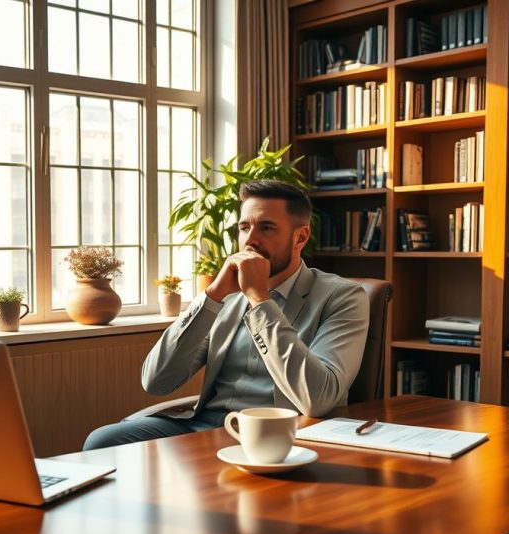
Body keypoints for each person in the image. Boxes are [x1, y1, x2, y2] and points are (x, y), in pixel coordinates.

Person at [83, 179, 369, 450]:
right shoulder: (227, 296)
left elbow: (318, 399)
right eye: (244, 227)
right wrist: (213, 296)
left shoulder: (342, 297)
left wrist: (259, 299)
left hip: (280, 433)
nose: (250, 241)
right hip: (207, 427)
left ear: (300, 237)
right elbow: (156, 381)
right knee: (102, 441)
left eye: (267, 228)